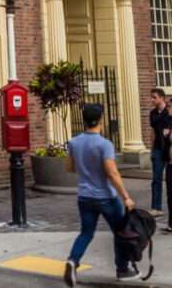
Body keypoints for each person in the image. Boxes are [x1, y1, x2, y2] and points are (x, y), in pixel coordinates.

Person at [64, 103, 138, 285]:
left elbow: (69, 168)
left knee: (86, 233)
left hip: (84, 196)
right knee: (120, 232)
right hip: (106, 198)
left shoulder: (74, 142)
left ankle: (73, 261)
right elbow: (112, 172)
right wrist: (126, 197)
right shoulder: (105, 144)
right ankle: (122, 269)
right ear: (100, 120)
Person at [151, 89, 172, 213]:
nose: (152, 100)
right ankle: (156, 208)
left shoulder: (169, 112)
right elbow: (153, 127)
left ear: (162, 98)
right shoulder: (153, 113)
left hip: (169, 150)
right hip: (158, 149)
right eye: (151, 97)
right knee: (156, 179)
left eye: (154, 97)